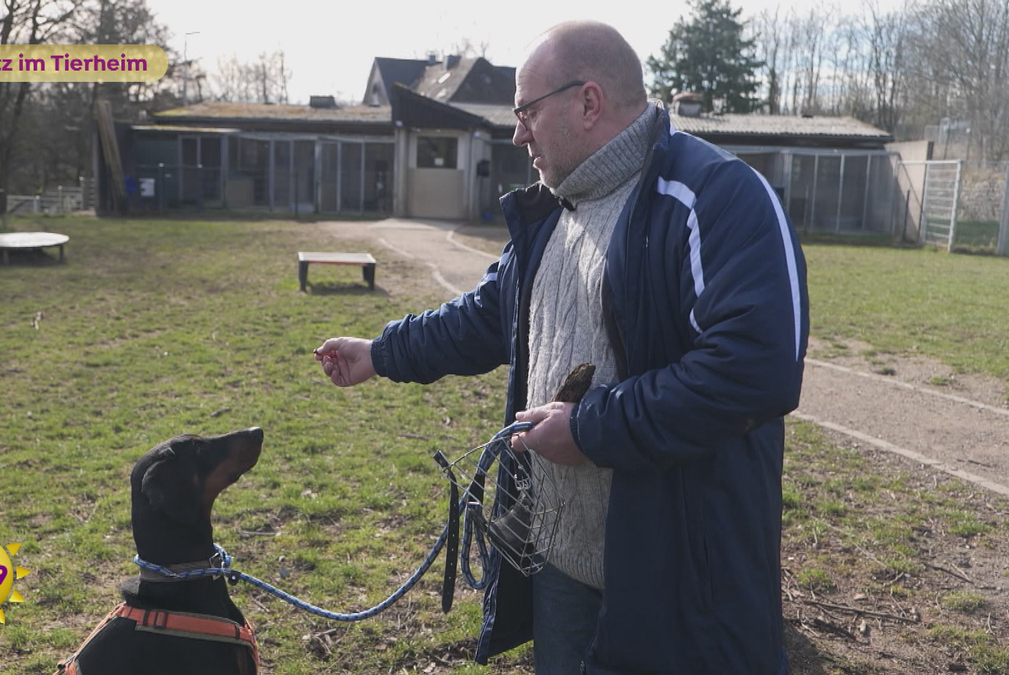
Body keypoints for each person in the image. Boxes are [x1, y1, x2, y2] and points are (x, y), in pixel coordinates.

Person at [314, 20, 808, 675]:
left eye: (527, 112)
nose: (517, 133)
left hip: (677, 582)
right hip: (560, 560)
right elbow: (487, 315)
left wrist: (592, 428)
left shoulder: (715, 198)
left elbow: (752, 370)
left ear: (588, 102)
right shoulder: (554, 211)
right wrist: (380, 352)